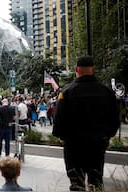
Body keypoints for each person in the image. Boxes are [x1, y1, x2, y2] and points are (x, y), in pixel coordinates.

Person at [53, 56, 120, 191]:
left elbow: (59, 119)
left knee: (76, 182)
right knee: (96, 181)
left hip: (74, 145)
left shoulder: (67, 92)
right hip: (97, 143)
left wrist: (62, 136)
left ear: (77, 69)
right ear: (93, 69)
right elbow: (115, 118)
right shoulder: (106, 92)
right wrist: (107, 135)